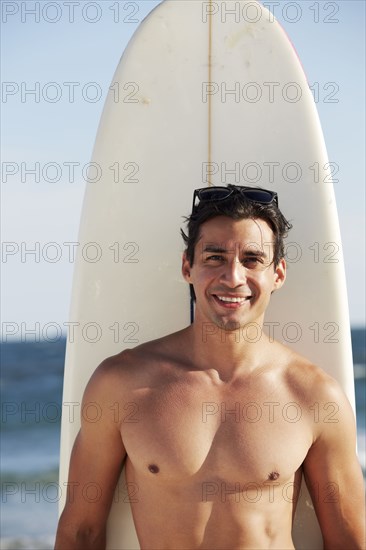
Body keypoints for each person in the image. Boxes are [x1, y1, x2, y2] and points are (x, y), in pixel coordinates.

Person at [55, 185, 364, 549]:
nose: (233, 277)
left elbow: (349, 539)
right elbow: (81, 531)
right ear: (188, 266)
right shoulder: (122, 384)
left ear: (278, 274)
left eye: (251, 259)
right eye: (214, 257)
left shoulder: (312, 395)